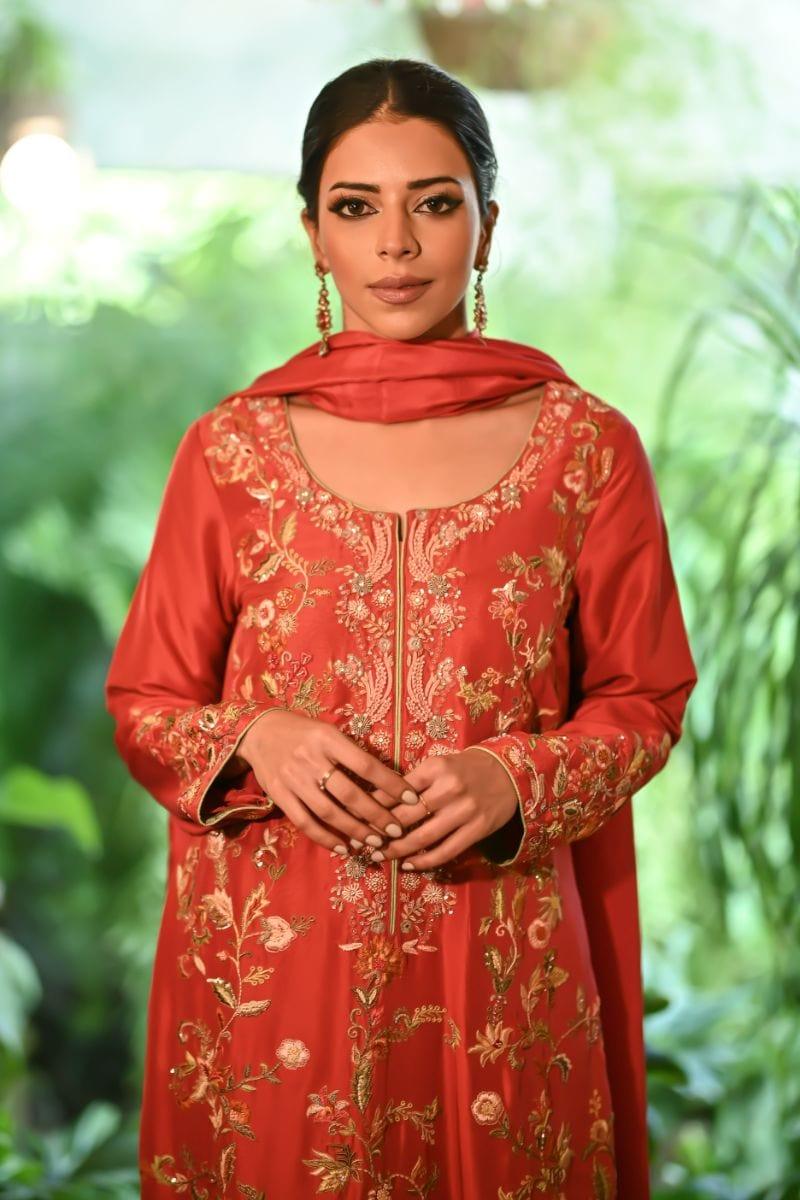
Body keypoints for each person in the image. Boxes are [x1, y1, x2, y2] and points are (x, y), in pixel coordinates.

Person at [105, 57, 697, 1199]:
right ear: (311, 235)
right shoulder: (231, 452)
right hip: (278, 987)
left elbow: (645, 699)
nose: (394, 245)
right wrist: (258, 738)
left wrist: (515, 776)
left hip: (502, 967)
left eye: (433, 203)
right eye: (354, 207)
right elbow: (146, 705)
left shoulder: (585, 450)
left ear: (487, 225)